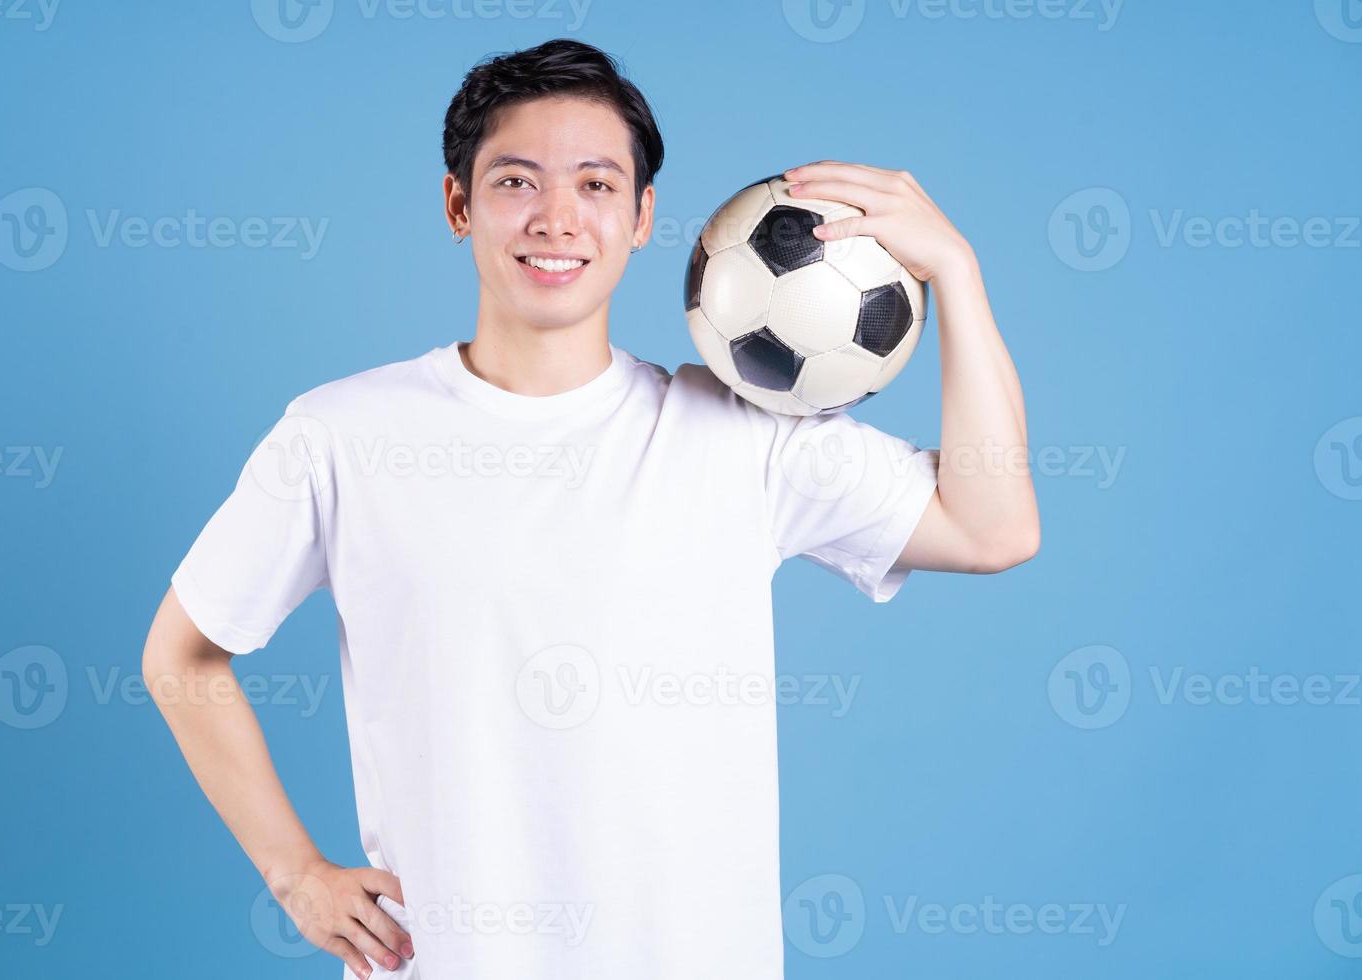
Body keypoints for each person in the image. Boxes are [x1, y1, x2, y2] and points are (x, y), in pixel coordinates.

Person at [141, 37, 1038, 980]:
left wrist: (959, 275)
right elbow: (182, 654)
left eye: (598, 186)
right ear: (459, 205)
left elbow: (994, 526)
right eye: (517, 182)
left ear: (645, 216)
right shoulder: (341, 437)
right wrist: (294, 874)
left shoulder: (741, 436)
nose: (557, 218)